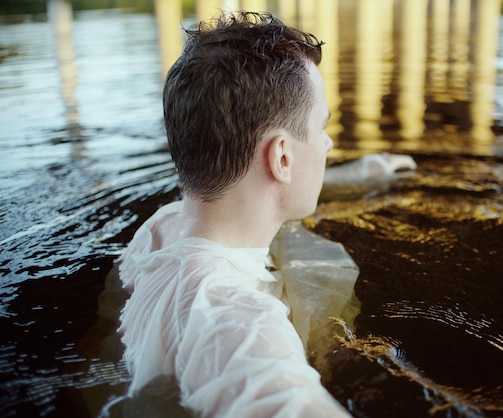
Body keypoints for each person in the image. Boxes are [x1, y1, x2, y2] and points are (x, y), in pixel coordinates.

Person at [117, 11, 352, 418]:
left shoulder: (157, 230)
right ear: (282, 157)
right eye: (321, 127)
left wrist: (359, 176)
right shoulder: (240, 323)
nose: (328, 144)